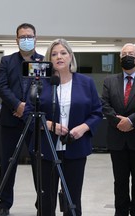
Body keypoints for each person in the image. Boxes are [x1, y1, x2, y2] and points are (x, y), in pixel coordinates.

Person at [24, 38, 103, 216]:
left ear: (70, 56)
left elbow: (97, 112)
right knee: (45, 200)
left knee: (72, 199)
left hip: (75, 148)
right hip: (44, 150)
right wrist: (49, 125)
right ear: (48, 59)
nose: (59, 56)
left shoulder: (86, 82)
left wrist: (82, 128)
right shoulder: (39, 82)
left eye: (63, 53)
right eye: (54, 54)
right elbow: (28, 113)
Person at [0, 23, 43, 216]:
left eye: (29, 36)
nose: (25, 39)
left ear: (35, 38)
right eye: (22, 36)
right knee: (8, 164)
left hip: (34, 123)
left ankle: (42, 204)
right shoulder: (7, 61)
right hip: (11, 121)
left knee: (39, 164)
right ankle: (4, 205)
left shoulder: (42, 61)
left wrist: (27, 108)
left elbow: (43, 90)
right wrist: (18, 105)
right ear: (16, 39)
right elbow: (2, 87)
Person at [101, 43, 135, 216]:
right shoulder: (109, 81)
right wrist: (119, 122)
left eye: (131, 54)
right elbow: (105, 104)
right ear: (120, 59)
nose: (127, 56)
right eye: (124, 54)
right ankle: (120, 212)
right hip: (117, 138)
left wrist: (131, 121)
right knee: (119, 181)